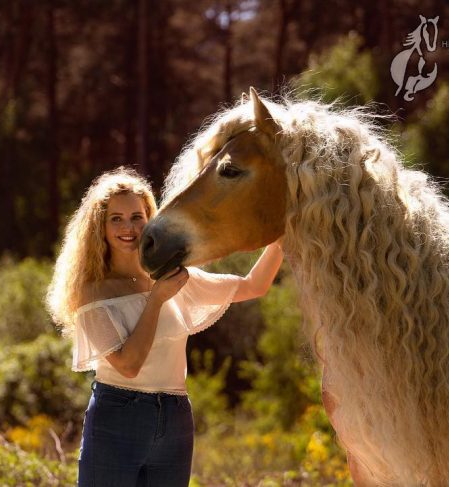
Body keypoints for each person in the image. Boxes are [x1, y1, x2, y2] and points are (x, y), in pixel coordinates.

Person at [46, 167, 283, 487]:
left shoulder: (172, 276)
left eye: (136, 216)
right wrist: (156, 300)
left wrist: (282, 236)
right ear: (99, 227)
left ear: (150, 219)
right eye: (116, 218)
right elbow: (128, 365)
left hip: (175, 419)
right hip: (117, 418)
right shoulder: (93, 292)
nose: (128, 227)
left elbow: (254, 286)